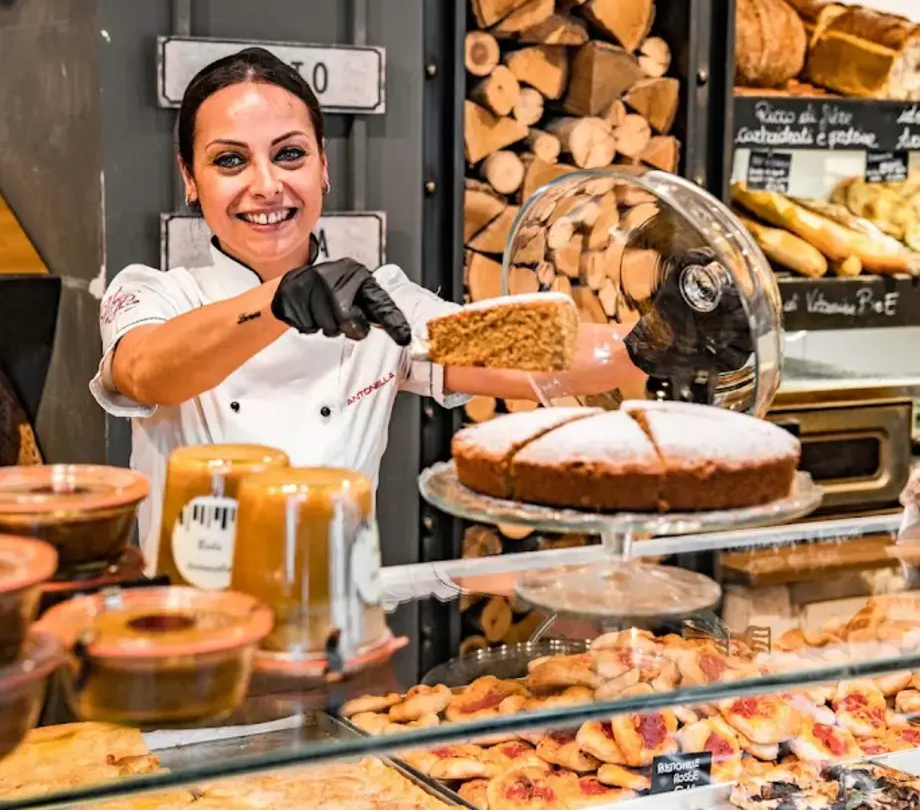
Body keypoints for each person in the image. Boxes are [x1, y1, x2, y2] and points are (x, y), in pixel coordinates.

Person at [90, 48, 750, 571]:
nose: (266, 185)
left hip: (336, 640)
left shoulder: (381, 302)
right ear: (189, 176)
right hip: (186, 645)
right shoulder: (155, 293)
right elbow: (146, 371)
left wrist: (646, 343)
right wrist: (279, 302)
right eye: (230, 161)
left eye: (289, 154)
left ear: (323, 166)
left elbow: (519, 356)